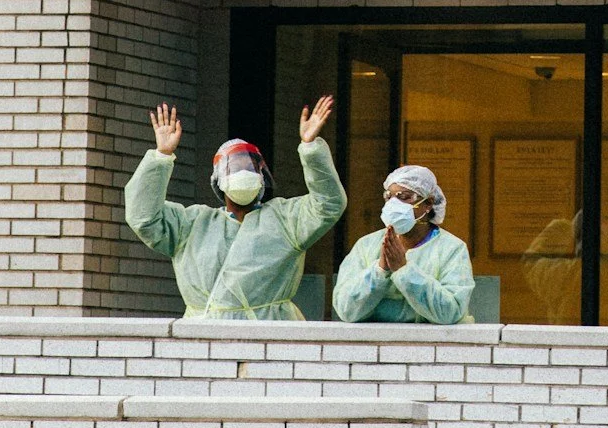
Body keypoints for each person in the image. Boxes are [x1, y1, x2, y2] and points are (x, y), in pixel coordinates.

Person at [125, 97, 343, 319]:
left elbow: (328, 204)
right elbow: (144, 218)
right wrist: (161, 156)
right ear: (218, 180)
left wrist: (310, 148)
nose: (244, 172)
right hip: (204, 342)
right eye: (235, 167)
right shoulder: (192, 224)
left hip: (271, 339)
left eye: (250, 167)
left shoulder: (285, 219)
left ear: (261, 176)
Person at [332, 162, 475, 325]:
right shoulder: (367, 246)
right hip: (376, 344)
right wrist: (380, 271)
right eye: (389, 197)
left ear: (428, 203)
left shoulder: (451, 249)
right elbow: (345, 310)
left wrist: (405, 271)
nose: (394, 204)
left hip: (434, 345)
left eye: (404, 197)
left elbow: (451, 311)